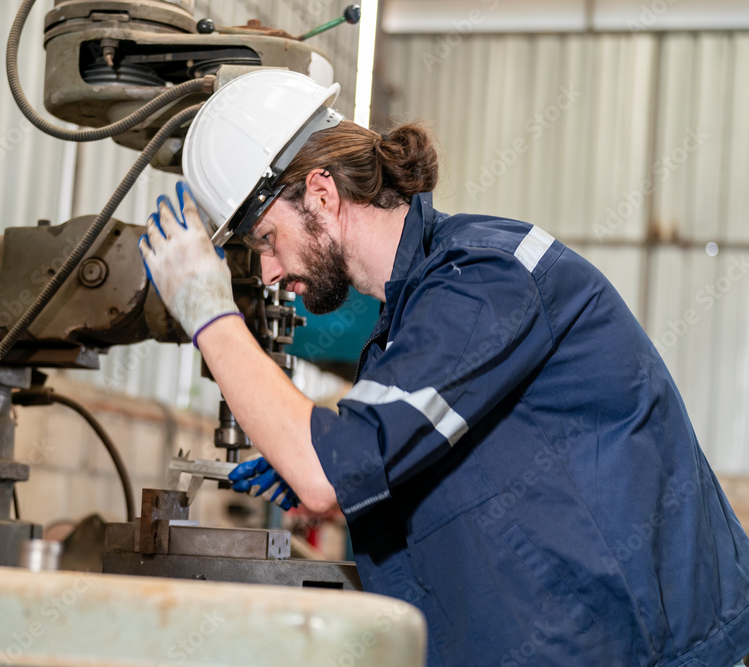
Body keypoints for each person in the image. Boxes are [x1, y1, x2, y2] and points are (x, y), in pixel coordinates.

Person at [138, 69, 749, 665]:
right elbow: (395, 458)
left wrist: (209, 314)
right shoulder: (410, 317)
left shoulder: (486, 278)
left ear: (322, 194)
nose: (268, 272)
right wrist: (313, 448)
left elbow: (327, 474)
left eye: (267, 239)